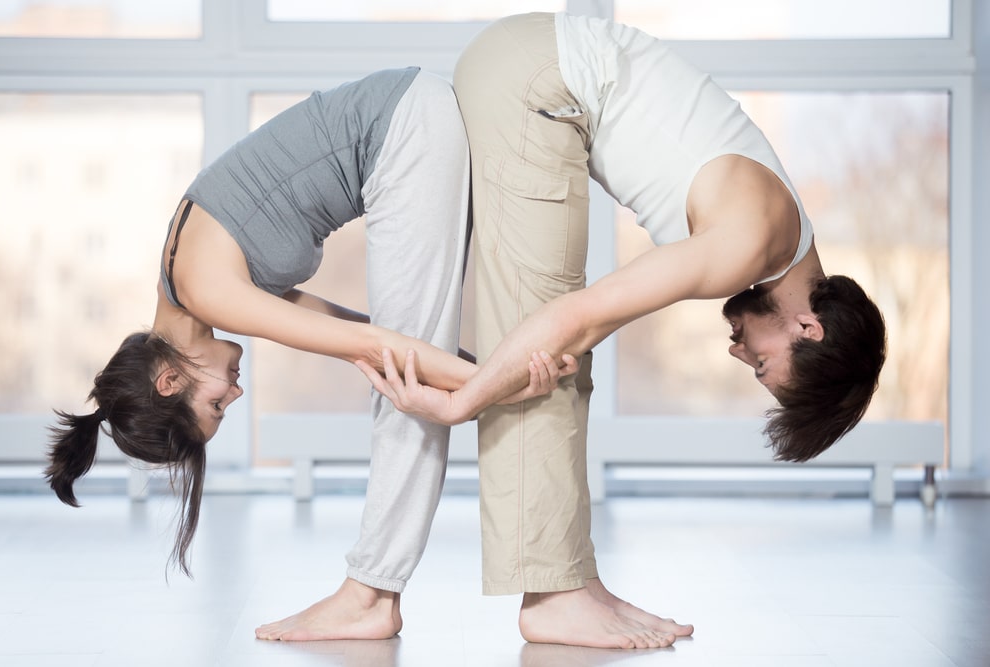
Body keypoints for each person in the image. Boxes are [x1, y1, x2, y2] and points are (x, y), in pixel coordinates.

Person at [358, 13, 886, 650]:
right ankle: (553, 598)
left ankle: (577, 581)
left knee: (562, 360)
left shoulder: (784, 236)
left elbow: (582, 330)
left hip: (536, 73)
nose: (737, 350)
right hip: (533, 81)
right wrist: (456, 404)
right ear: (809, 326)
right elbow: (569, 320)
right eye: (762, 363)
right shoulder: (745, 247)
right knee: (543, 351)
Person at [44, 68, 574, 643]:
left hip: (404, 135)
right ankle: (377, 591)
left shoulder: (209, 289)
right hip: (409, 119)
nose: (236, 393)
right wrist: (488, 374)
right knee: (403, 373)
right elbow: (360, 335)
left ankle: (370, 594)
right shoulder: (198, 280)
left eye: (218, 405)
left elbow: (378, 350)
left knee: (402, 394)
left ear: (170, 380)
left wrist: (493, 384)